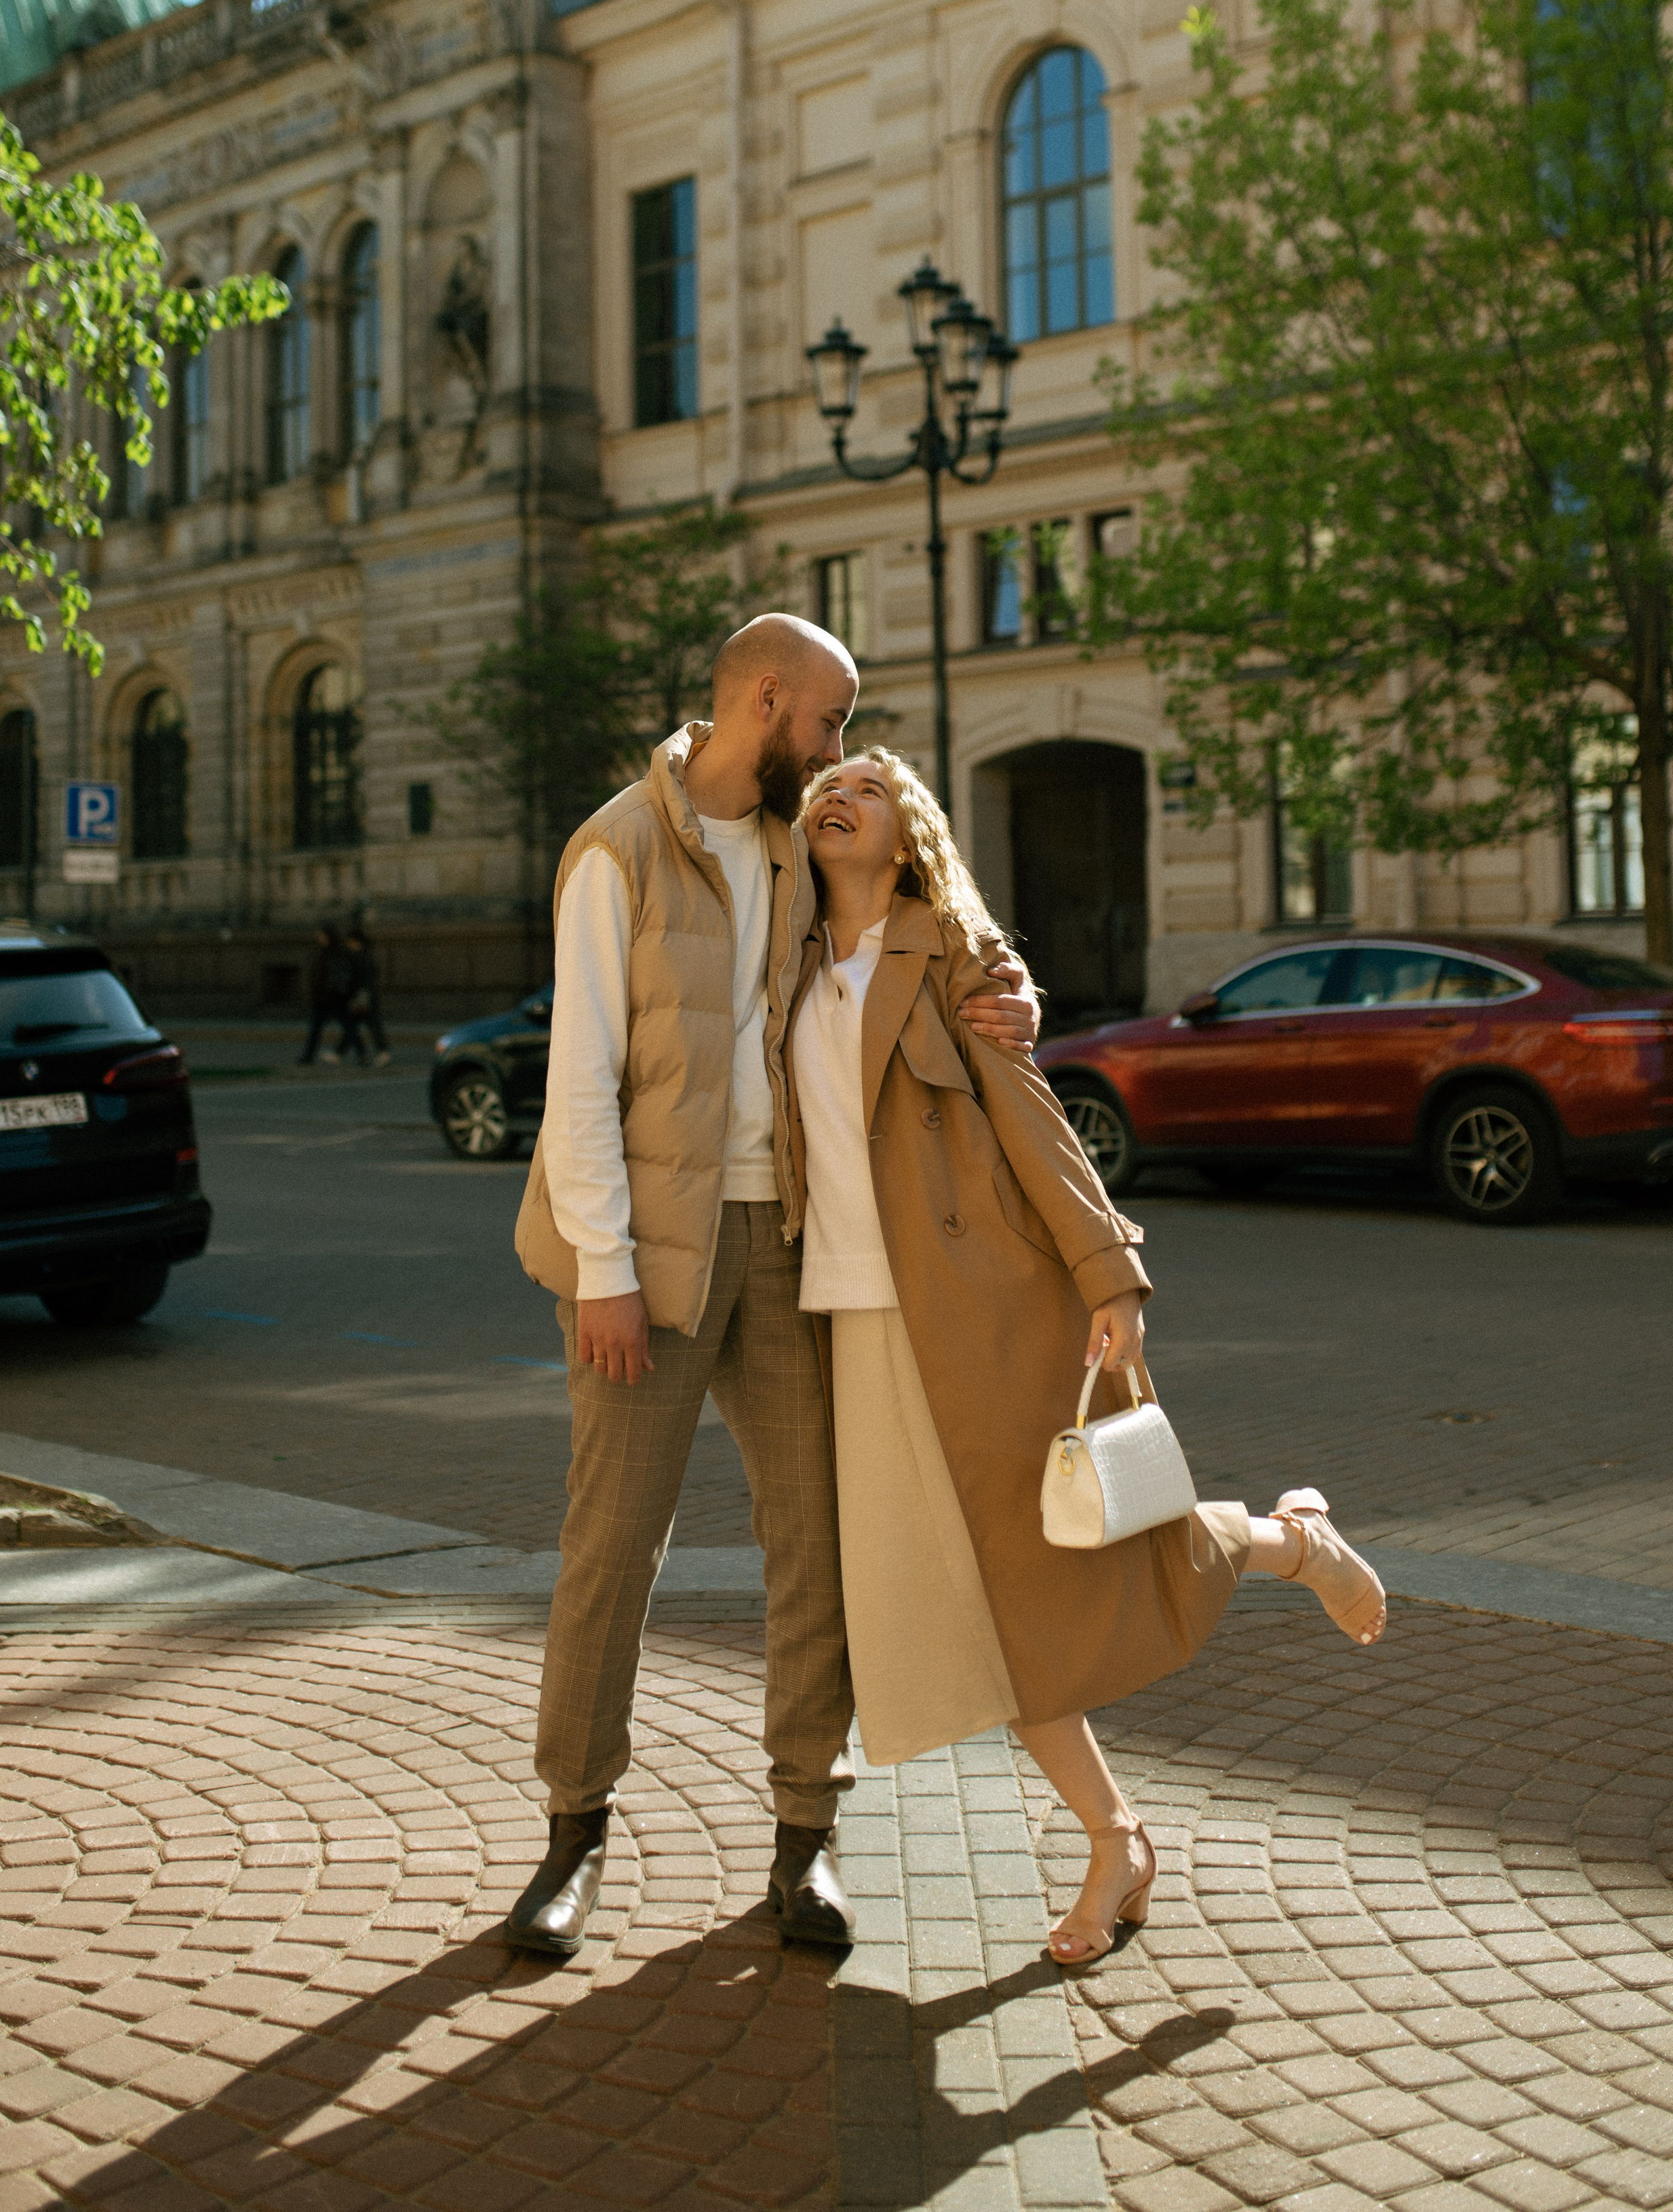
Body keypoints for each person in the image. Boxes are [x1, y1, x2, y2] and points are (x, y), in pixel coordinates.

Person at [790, 748, 1387, 1966]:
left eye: (867, 782)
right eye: (820, 784)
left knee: (1065, 1561)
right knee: (993, 1614)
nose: (834, 793)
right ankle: (1119, 1840)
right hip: (852, 1321)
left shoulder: (948, 952)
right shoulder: (781, 957)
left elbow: (1031, 1115)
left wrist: (1108, 1272)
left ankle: (1288, 1545)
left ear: (907, 836)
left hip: (985, 1304)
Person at [506, 617, 1040, 1962]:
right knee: (611, 1549)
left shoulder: (808, 849)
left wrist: (1012, 994)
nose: (840, 749)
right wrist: (609, 1274)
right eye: (831, 721)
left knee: (818, 1549)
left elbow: (924, 929)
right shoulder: (614, 850)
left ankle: (805, 1844)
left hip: (792, 1245)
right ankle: (572, 1837)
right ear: (765, 698)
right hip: (649, 1259)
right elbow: (578, 1080)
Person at [296, 925, 355, 1067]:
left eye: (321, 934)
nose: (319, 937)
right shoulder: (334, 952)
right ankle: (308, 1056)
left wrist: (318, 991)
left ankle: (308, 1057)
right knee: (344, 1026)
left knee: (340, 1026)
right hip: (330, 996)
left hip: (328, 997)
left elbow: (323, 976)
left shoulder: (329, 953)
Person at [345, 918, 391, 1067]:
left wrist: (361, 994)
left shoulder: (361, 956)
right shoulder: (363, 955)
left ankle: (379, 1053)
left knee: (369, 1025)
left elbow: (365, 978)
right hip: (364, 996)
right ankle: (353, 1053)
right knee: (356, 1024)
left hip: (364, 997)